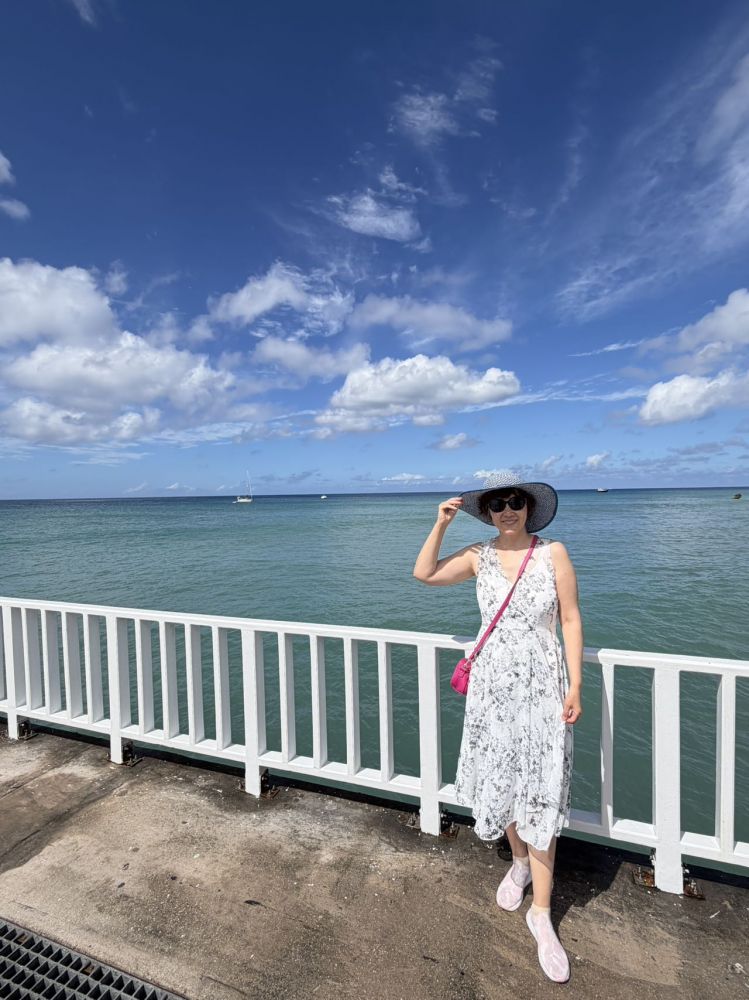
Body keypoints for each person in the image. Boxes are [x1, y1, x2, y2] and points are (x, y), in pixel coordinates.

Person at [413, 471, 583, 984]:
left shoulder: (553, 553)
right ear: (487, 513)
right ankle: (518, 862)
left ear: (529, 507)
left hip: (543, 687)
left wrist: (576, 685)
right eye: (496, 504)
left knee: (541, 789)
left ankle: (542, 915)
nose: (507, 510)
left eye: (515, 501)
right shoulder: (478, 556)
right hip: (492, 689)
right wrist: (441, 524)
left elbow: (570, 619)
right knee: (504, 776)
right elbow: (424, 574)